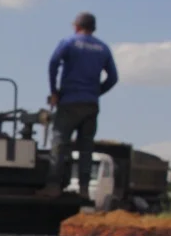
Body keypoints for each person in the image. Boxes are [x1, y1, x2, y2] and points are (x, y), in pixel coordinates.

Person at [40, 12, 118, 198]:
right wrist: (96, 92)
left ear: (76, 26)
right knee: (86, 148)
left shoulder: (69, 42)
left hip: (69, 102)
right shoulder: (103, 48)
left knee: (59, 141)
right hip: (91, 105)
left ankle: (53, 186)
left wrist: (54, 92)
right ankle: (84, 190)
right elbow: (113, 78)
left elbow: (53, 63)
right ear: (93, 28)